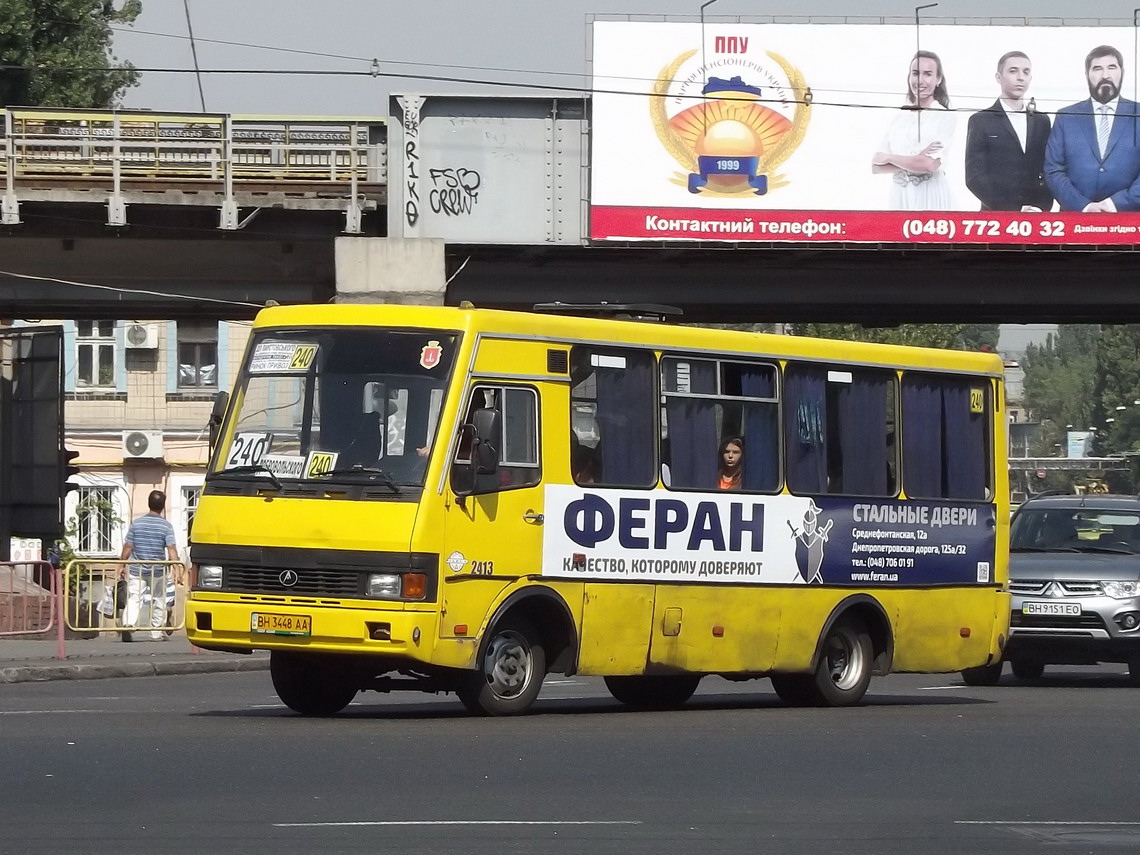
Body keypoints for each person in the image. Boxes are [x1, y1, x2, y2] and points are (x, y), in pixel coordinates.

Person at [1045, 45, 1140, 212]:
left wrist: (1114, 204)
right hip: (1075, 222)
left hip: (1129, 224)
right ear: (1087, 75)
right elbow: (1053, 170)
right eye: (1097, 68)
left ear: (1122, 72)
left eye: (1112, 67)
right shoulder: (1066, 117)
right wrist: (1084, 206)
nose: (1105, 75)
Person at [965, 51, 1054, 212]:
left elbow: (1049, 170)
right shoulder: (980, 120)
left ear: (1030, 78)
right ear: (998, 77)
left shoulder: (1042, 121)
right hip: (996, 218)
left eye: (1026, 72)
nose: (1020, 77)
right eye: (1013, 71)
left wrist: (1041, 208)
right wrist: (1014, 209)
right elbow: (974, 177)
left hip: (1036, 218)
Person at [872, 51, 959, 210]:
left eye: (928, 74)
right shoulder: (899, 118)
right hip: (901, 195)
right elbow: (876, 165)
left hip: (930, 194)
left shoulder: (944, 116)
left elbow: (929, 165)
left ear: (938, 79)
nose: (920, 80)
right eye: (915, 73)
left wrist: (889, 158)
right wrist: (915, 161)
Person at [119, 489, 179, 642]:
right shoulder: (166, 526)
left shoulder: (137, 524)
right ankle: (156, 632)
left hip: (136, 568)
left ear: (149, 504)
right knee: (159, 599)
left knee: (134, 597)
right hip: (157, 570)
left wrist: (120, 564)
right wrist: (177, 567)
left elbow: (128, 547)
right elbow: (171, 549)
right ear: (163, 506)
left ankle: (128, 625)